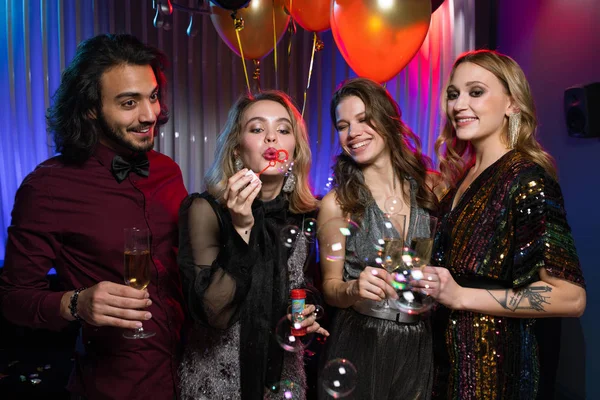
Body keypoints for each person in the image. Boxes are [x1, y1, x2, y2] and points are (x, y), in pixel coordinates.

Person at [0, 34, 188, 399]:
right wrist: (75, 303)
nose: (150, 115)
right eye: (129, 103)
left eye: (152, 97)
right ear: (89, 108)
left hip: (188, 372)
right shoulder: (48, 187)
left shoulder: (168, 171)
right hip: (115, 385)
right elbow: (12, 297)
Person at [421, 50, 586, 399]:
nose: (459, 104)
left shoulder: (525, 178)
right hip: (449, 368)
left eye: (475, 92)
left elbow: (570, 297)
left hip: (498, 375)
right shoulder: (461, 181)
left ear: (512, 103)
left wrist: (462, 296)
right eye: (453, 94)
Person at [178, 90, 328, 400]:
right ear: (236, 150)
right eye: (257, 129)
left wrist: (308, 310)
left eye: (283, 130)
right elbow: (213, 311)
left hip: (281, 380)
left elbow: (306, 286)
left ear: (295, 152)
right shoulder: (205, 210)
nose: (271, 138)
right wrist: (242, 228)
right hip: (218, 381)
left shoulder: (306, 216)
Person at [317, 77, 441, 400]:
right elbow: (330, 288)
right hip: (361, 340)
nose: (353, 133)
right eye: (343, 126)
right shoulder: (337, 204)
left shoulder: (429, 189)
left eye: (362, 119)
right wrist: (353, 289)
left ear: (386, 118)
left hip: (418, 343)